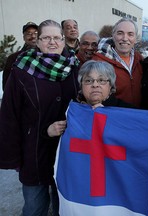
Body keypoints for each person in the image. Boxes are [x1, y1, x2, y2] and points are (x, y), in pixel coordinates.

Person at [0, 19, 80, 216]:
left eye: (57, 37)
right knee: (35, 208)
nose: (52, 42)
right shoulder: (21, 70)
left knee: (63, 206)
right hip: (34, 152)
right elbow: (9, 115)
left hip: (68, 152)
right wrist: (13, 157)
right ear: (38, 41)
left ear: (64, 40)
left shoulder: (75, 66)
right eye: (46, 37)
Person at [92, 17, 143, 107]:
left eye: (130, 34)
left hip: (137, 116)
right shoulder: (98, 62)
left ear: (135, 38)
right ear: (113, 35)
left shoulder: (140, 59)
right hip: (112, 116)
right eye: (120, 33)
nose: (125, 38)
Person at [2, 21, 38, 90]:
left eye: (36, 33)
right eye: (29, 34)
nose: (33, 36)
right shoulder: (13, 58)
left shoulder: (46, 55)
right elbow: (6, 86)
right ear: (24, 38)